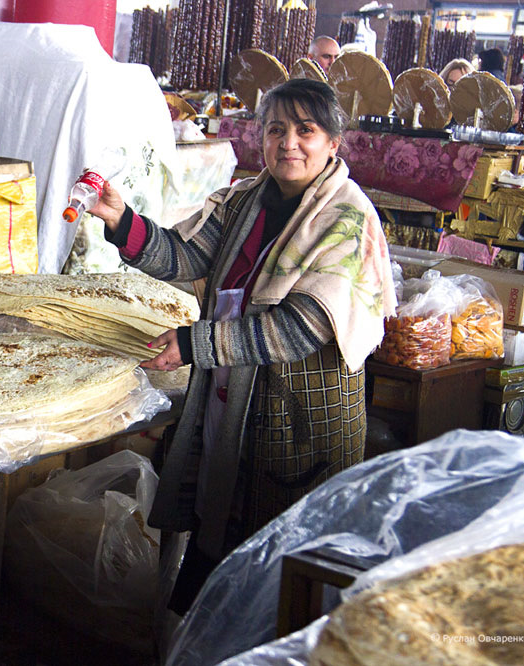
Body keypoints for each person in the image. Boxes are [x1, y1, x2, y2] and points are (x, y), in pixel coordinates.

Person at [87, 79, 396, 610]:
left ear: (333, 144)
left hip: (302, 410)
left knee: (281, 556)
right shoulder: (248, 201)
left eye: (307, 131)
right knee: (221, 524)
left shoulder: (347, 220)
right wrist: (121, 220)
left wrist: (193, 344)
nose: (289, 144)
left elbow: (300, 329)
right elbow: (184, 258)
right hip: (236, 391)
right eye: (276, 129)